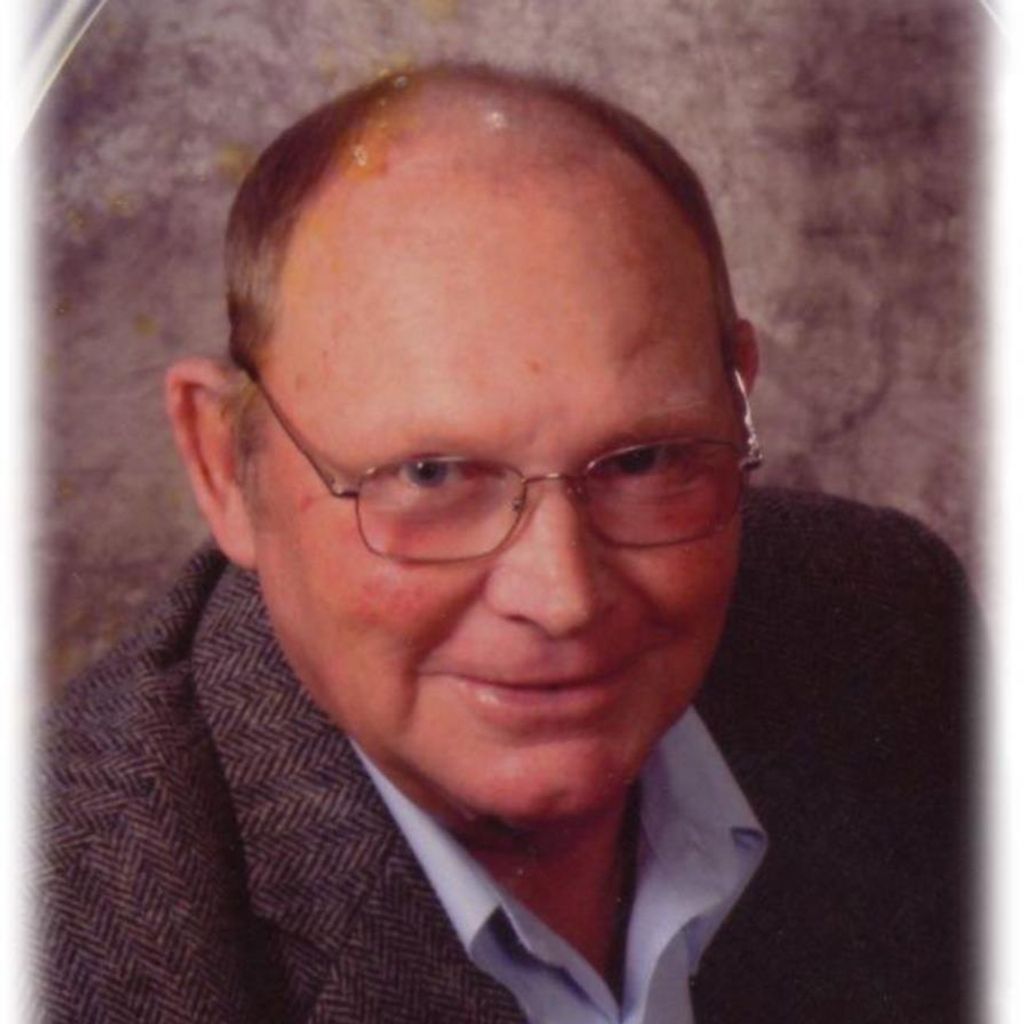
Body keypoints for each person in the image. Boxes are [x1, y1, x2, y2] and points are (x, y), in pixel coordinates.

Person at [40, 65, 971, 1024]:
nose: (563, 596)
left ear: (735, 397)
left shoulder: (894, 627)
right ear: (225, 467)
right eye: (431, 475)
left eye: (640, 460)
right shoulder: (66, 946)